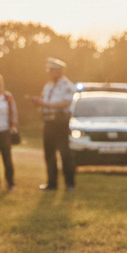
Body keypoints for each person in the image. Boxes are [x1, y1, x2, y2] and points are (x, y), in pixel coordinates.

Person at [33, 57, 76, 191]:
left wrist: (47, 104)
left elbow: (66, 103)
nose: (50, 73)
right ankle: (52, 183)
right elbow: (44, 99)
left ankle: (69, 183)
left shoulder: (68, 85)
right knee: (49, 153)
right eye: (49, 70)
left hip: (60, 121)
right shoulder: (48, 86)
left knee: (64, 152)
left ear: (59, 71)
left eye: (52, 70)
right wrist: (38, 102)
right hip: (48, 121)